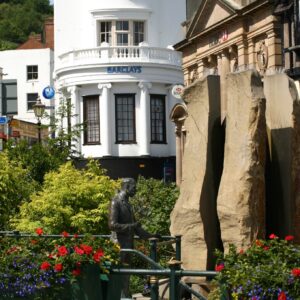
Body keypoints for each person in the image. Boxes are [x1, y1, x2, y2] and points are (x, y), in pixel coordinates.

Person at [109, 178, 159, 298]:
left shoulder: (128, 204)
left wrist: (152, 236)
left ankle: (125, 296)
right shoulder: (116, 202)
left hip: (128, 245)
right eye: (134, 187)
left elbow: (137, 229)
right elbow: (112, 225)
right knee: (118, 274)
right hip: (119, 245)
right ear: (126, 187)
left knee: (126, 274)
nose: (136, 190)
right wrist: (132, 226)